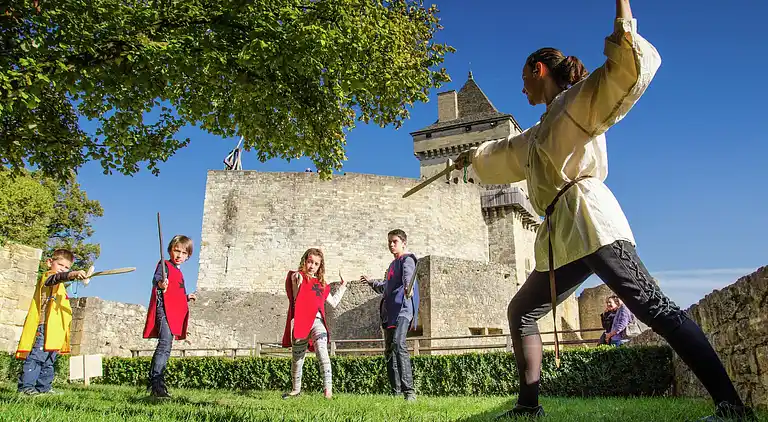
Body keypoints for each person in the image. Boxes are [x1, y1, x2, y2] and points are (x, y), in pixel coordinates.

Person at [454, 1, 755, 420]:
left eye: (524, 79)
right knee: (522, 311)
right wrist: (469, 157)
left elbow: (621, 74)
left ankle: (731, 406)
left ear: (539, 69)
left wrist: (624, 19)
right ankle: (528, 407)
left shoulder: (578, 101)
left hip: (591, 221)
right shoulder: (538, 132)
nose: (521, 88)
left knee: (656, 308)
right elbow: (501, 153)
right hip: (563, 233)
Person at [16, 249, 87, 395]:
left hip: (56, 330)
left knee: (49, 359)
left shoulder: (61, 287)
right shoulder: (47, 277)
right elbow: (54, 279)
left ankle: (44, 388)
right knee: (37, 357)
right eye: (60, 264)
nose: (63, 269)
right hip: (44, 326)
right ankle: (26, 387)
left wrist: (76, 278)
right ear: (50, 262)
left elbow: (62, 282)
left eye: (67, 267)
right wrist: (71, 274)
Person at [361, 229, 420, 402]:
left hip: (403, 310)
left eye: (394, 241)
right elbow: (386, 286)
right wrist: (372, 281)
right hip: (389, 313)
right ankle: (396, 392)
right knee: (389, 351)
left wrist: (409, 286)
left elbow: (408, 279)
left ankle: (409, 392)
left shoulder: (407, 260)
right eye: (389, 242)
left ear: (403, 243)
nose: (391, 245)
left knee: (399, 344)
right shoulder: (392, 265)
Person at [281, 248, 348, 399]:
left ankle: (328, 391)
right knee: (297, 360)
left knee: (323, 353)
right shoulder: (297, 277)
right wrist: (297, 276)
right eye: (310, 262)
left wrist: (343, 285)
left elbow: (334, 302)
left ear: (320, 267)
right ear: (304, 261)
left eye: (316, 264)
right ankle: (295, 390)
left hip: (318, 323)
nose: (312, 266)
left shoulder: (321, 285)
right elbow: (295, 285)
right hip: (301, 323)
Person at [142, 235, 197, 398]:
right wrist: (161, 284)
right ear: (170, 251)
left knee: (167, 346)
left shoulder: (179, 274)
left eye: (183, 252)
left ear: (188, 256)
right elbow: (157, 279)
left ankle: (158, 383)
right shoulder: (164, 265)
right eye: (176, 250)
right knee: (164, 344)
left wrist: (187, 297)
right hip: (163, 309)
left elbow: (175, 294)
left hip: (172, 311)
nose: (179, 255)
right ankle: (156, 384)